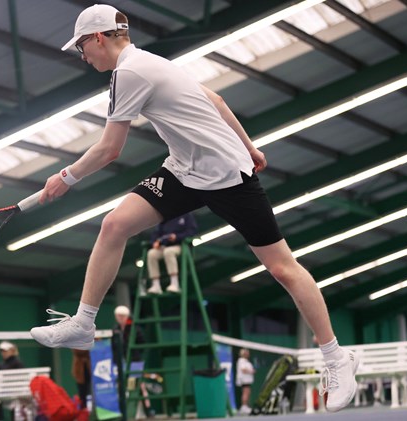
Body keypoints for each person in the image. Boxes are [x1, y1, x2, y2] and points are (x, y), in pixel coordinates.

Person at [29, 4, 359, 412]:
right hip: (184, 171)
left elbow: (110, 149)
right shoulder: (153, 63)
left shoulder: (130, 72)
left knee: (282, 268)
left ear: (98, 37)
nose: (84, 57)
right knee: (114, 225)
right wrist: (251, 143)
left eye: (82, 47)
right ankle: (83, 322)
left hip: (227, 176)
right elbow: (216, 99)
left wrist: (65, 178)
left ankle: (336, 358)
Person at [146, 212, 197, 294]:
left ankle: (174, 283)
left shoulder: (186, 216)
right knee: (151, 254)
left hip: (180, 246)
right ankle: (156, 285)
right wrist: (154, 242)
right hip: (164, 246)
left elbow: (191, 231)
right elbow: (156, 233)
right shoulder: (166, 216)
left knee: (168, 252)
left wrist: (177, 237)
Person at [0, 341, 25, 420]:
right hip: (4, 392)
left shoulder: (17, 363)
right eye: (2, 351)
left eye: (5, 351)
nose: (3, 353)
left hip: (15, 392)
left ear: (12, 351)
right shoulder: (1, 365)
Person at [235, 349, 255, 414]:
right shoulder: (241, 361)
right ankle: (244, 407)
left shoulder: (246, 361)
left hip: (247, 380)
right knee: (245, 392)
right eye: (247, 353)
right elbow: (243, 369)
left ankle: (245, 406)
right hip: (244, 380)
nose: (248, 354)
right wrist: (251, 371)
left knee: (247, 392)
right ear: (244, 354)